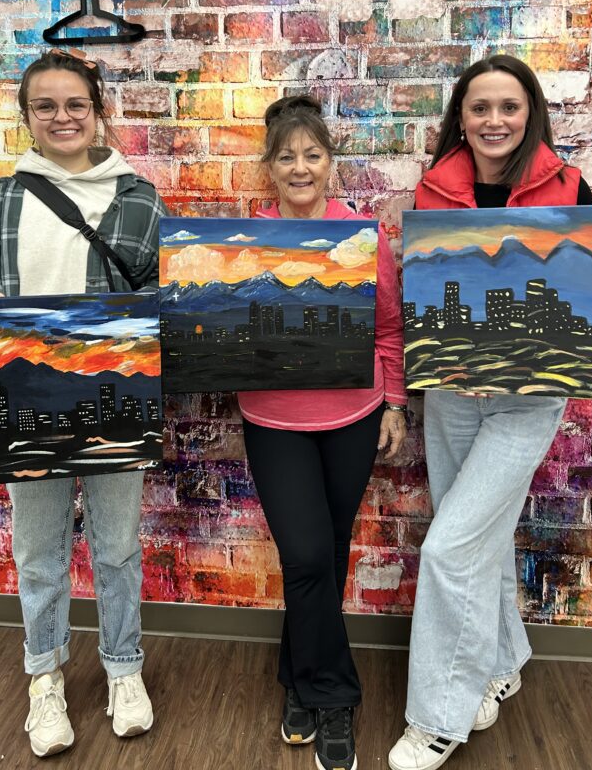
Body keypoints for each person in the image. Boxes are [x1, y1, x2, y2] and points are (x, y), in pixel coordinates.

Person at [0, 49, 168, 759]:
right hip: (26, 410)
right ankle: (43, 676)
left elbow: (164, 309)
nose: (62, 117)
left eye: (75, 104)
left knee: (117, 548)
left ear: (96, 108)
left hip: (114, 405)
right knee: (39, 553)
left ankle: (123, 669)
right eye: (45, 106)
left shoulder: (139, 199)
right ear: (26, 116)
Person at [388, 54, 592, 770]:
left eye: (509, 107)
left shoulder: (570, 186)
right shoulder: (434, 190)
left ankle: (438, 716)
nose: (495, 121)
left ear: (529, 111)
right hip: (452, 392)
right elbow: (419, 295)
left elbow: (590, 302)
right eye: (480, 108)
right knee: (478, 539)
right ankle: (504, 659)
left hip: (527, 399)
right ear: (462, 117)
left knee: (449, 548)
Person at [238, 95, 408, 770]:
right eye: (287, 157)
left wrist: (394, 403)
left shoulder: (364, 238)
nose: (301, 167)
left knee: (326, 558)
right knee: (307, 557)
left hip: (354, 418)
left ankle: (298, 682)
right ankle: (334, 697)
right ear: (270, 168)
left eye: (313, 154)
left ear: (330, 163)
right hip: (273, 420)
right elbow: (222, 324)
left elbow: (391, 327)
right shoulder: (243, 242)